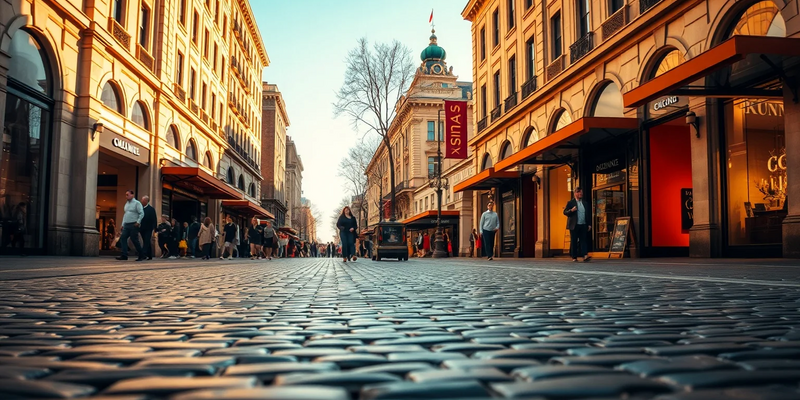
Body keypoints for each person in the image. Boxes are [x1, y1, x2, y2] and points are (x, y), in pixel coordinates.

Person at [564, 187, 592, 262]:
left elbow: (588, 214)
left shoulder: (585, 203)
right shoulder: (570, 203)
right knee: (574, 240)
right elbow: (565, 212)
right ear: (575, 193)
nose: (581, 194)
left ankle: (585, 255)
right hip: (574, 225)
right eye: (579, 193)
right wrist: (571, 210)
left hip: (583, 224)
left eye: (581, 193)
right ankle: (574, 257)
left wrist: (589, 224)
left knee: (583, 240)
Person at [116, 190, 145, 261]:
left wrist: (138, 222)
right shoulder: (126, 204)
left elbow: (141, 213)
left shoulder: (137, 203)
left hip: (134, 224)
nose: (126, 196)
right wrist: (122, 224)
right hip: (126, 224)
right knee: (123, 238)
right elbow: (125, 215)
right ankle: (124, 255)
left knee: (134, 239)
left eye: (127, 194)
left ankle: (141, 254)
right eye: (126, 195)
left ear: (132, 195)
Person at [140, 196, 157, 260]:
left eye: (143, 200)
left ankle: (143, 254)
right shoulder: (140, 208)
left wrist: (154, 227)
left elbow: (154, 219)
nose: (141, 201)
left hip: (148, 228)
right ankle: (150, 255)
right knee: (146, 240)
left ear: (146, 201)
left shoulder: (151, 209)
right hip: (142, 228)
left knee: (146, 240)